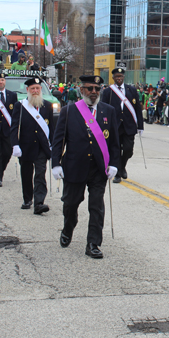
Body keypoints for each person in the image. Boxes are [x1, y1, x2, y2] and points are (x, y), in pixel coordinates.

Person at [51, 75, 120, 259]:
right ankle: (68, 227)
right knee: (71, 204)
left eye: (97, 89)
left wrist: (114, 164)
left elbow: (114, 142)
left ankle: (93, 243)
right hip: (74, 166)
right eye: (90, 89)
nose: (94, 92)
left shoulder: (109, 111)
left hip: (98, 168)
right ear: (82, 90)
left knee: (96, 207)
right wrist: (55, 164)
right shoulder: (69, 111)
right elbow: (59, 140)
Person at [10, 77, 54, 214]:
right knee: (27, 173)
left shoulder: (47, 105)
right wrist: (15, 145)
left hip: (42, 147)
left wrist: (52, 145)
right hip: (25, 146)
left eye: (37, 88)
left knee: (40, 174)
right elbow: (14, 127)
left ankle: (39, 203)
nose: (35, 91)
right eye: (32, 89)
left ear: (41, 90)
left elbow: (52, 127)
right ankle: (27, 198)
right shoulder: (20, 106)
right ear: (27, 90)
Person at [101, 68, 144, 183]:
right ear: (113, 78)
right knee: (115, 150)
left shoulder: (132, 90)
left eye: (120, 76)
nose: (119, 78)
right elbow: (103, 109)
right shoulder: (108, 92)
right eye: (116, 76)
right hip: (114, 126)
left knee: (128, 150)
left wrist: (140, 125)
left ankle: (122, 166)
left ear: (123, 77)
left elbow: (138, 108)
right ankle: (118, 173)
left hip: (129, 125)